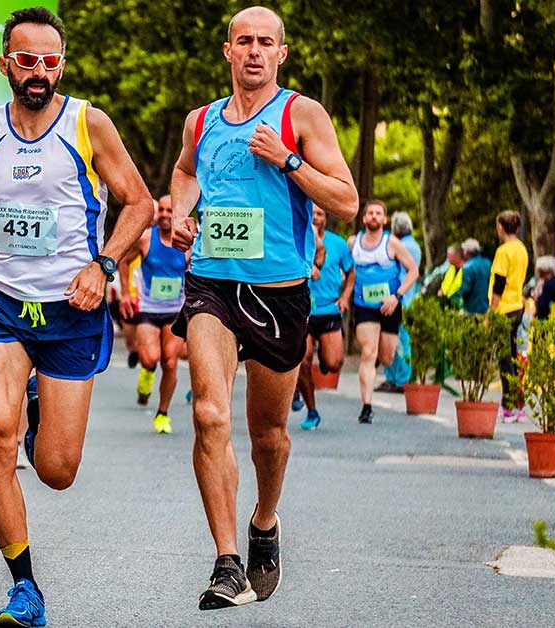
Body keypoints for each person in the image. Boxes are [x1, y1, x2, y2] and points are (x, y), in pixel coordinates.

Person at [0, 8, 155, 625]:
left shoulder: (88, 123)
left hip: (71, 307)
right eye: (25, 60)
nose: (37, 71)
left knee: (56, 469)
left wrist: (103, 266)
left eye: (49, 61)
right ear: (5, 64)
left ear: (61, 66)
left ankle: (36, 412)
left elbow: (138, 204)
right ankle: (24, 587)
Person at [169, 6, 358, 610]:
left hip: (281, 291)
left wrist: (288, 160)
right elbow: (182, 173)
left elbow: (348, 201)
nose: (254, 51)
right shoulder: (199, 120)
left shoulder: (301, 115)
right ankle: (227, 561)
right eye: (243, 41)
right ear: (227, 51)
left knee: (268, 434)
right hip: (212, 285)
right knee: (208, 413)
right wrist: (179, 212)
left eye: (265, 42)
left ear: (281, 53)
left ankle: (265, 520)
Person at [121, 194, 189, 433]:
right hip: (149, 309)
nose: (165, 215)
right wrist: (126, 294)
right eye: (161, 210)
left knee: (170, 361)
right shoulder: (146, 238)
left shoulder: (186, 241)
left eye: (170, 210)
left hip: (174, 311)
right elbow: (124, 262)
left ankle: (162, 413)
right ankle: (147, 375)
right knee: (150, 358)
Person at [349, 201, 418, 424]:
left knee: (386, 357)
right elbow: (345, 268)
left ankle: (375, 365)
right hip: (363, 306)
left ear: (385, 219)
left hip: (389, 306)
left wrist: (396, 296)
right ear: (364, 218)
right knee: (368, 352)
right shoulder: (353, 243)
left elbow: (413, 271)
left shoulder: (393, 243)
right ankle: (366, 406)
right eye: (370, 213)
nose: (374, 217)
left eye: (378, 213)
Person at [294, 205, 353, 430]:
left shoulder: (338, 244)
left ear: (326, 219)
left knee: (333, 363)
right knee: (303, 361)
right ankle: (312, 411)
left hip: (328, 310)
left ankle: (325, 354)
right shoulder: (295, 237)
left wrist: (345, 297)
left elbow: (351, 273)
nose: (316, 217)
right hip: (303, 312)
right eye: (313, 213)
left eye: (321, 214)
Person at [489, 210, 529, 422]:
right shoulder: (522, 249)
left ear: (500, 228)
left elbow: (498, 284)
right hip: (518, 306)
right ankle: (519, 405)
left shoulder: (504, 251)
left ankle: (509, 406)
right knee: (513, 357)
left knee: (504, 358)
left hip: (504, 308)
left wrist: (491, 313)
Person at [381, 212, 423, 392]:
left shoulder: (399, 246)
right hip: (408, 298)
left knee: (398, 340)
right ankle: (397, 378)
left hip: (398, 298)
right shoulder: (415, 246)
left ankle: (399, 379)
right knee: (398, 341)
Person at [456, 238, 490, 315]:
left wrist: (456, 295)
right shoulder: (487, 263)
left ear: (467, 252)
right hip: (486, 307)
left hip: (472, 308)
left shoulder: (468, 267)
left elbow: (465, 289)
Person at [532, 255, 555, 320]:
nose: (539, 275)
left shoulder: (549, 285)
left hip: (552, 318)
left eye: (541, 272)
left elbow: (543, 306)